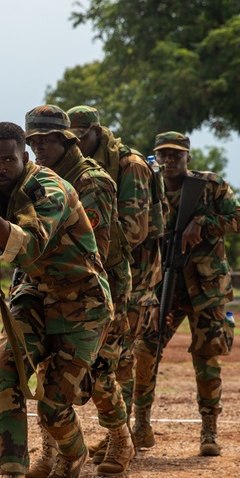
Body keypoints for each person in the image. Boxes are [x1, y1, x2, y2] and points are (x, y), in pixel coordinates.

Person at [0, 121, 112, 478]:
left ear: (24, 158)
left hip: (83, 303)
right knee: (6, 365)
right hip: (35, 295)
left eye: (8, 159)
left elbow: (29, 247)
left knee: (53, 406)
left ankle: (73, 454)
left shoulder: (48, 189)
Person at [22, 105, 135, 478]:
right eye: (33, 142)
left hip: (96, 287)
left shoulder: (92, 181)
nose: (39, 148)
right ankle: (51, 451)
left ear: (65, 139)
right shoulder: (35, 180)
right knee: (45, 368)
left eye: (47, 140)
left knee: (99, 369)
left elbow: (95, 252)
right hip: (48, 284)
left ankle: (120, 437)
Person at [134, 131, 240, 456]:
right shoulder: (149, 190)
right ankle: (140, 425)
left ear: (188, 157)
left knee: (206, 357)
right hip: (165, 286)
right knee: (144, 352)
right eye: (164, 155)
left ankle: (209, 431)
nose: (170, 161)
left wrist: (203, 221)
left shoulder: (210, 186)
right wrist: (152, 296)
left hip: (207, 290)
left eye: (176, 155)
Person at [67, 105, 164, 451]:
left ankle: (129, 434)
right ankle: (119, 434)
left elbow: (134, 230)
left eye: (81, 138)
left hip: (136, 275)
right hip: (105, 269)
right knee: (111, 355)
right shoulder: (79, 167)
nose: (76, 145)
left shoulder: (131, 167)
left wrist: (80, 242)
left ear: (97, 131)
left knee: (122, 355)